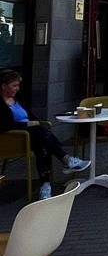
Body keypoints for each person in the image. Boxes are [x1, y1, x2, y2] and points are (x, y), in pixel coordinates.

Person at [0, 68, 89, 199]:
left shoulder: (19, 100)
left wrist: (35, 123)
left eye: (18, 85)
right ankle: (65, 159)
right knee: (41, 134)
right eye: (14, 85)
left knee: (42, 145)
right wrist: (28, 124)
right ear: (3, 86)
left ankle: (46, 185)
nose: (17, 89)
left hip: (33, 137)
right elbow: (3, 125)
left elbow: (31, 116)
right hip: (16, 139)